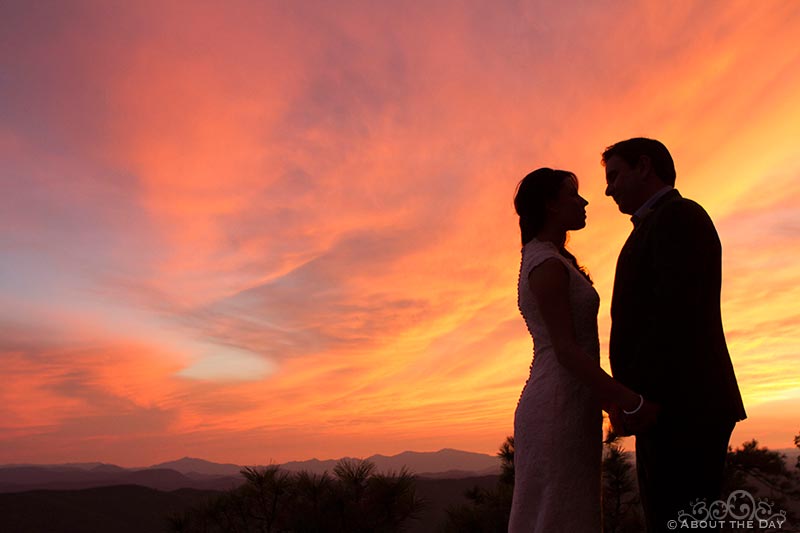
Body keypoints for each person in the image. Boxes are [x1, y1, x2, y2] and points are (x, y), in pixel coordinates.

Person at [602, 138, 747, 532]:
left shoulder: (680, 217)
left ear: (644, 166)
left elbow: (677, 316)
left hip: (684, 406)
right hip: (665, 408)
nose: (608, 189)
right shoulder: (653, 225)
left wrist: (640, 399)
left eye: (614, 175)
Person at [509, 168, 656, 532]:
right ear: (550, 205)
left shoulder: (552, 259)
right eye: (573, 195)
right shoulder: (545, 265)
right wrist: (628, 400)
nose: (585, 201)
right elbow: (566, 351)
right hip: (557, 405)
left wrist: (606, 402)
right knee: (558, 512)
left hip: (574, 401)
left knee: (570, 508)